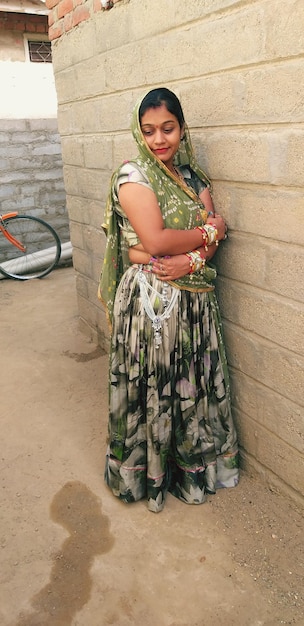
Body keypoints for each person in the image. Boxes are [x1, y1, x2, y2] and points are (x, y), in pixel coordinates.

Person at [99, 87, 239, 513]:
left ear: (181, 128)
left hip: (193, 302)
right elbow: (155, 241)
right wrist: (212, 230)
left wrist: (189, 258)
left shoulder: (194, 179)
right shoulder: (133, 176)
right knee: (154, 386)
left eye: (168, 129)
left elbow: (192, 248)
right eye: (149, 131)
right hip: (150, 304)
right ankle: (148, 477)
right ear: (138, 133)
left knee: (188, 385)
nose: (159, 139)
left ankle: (190, 471)